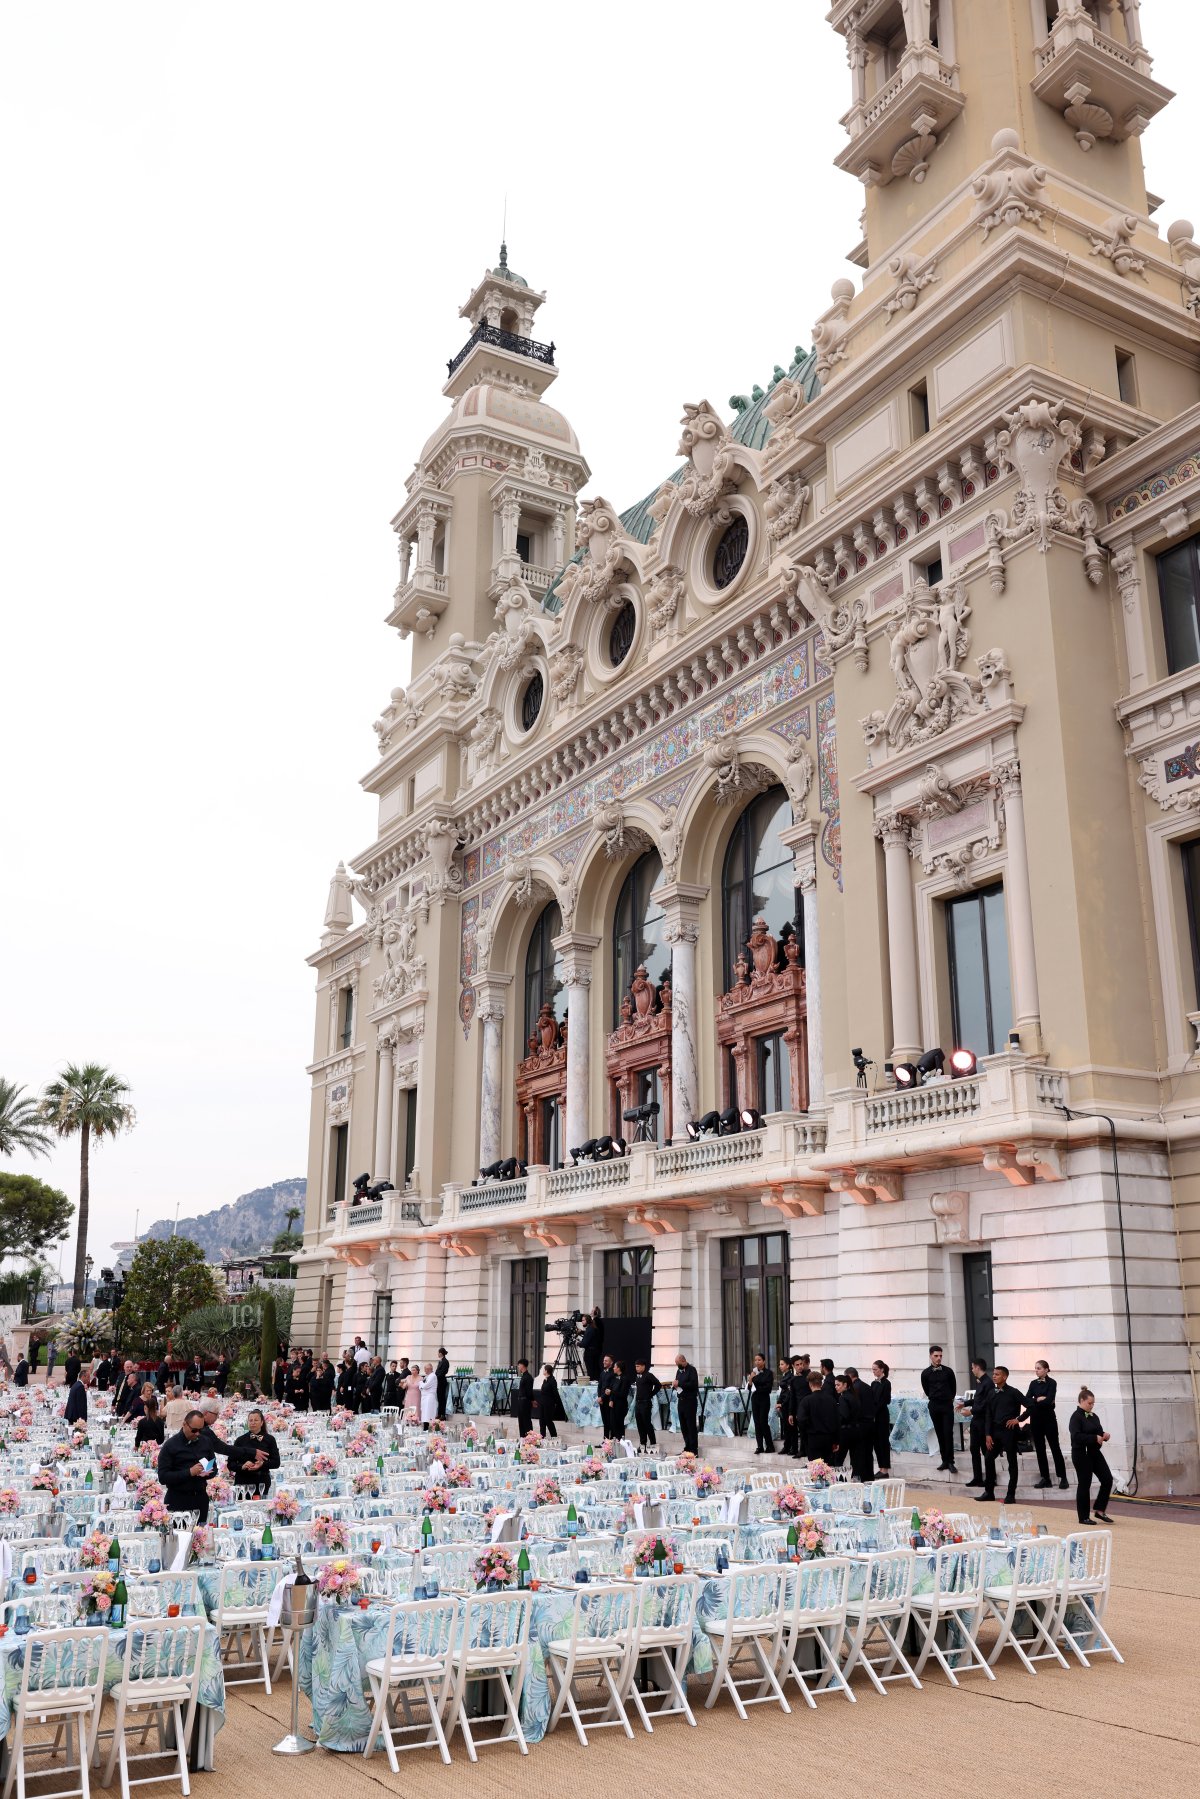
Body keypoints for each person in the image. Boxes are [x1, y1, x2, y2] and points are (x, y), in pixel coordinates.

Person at [1069, 1388, 1114, 1525]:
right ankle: (1083, 1517)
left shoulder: (1094, 1416)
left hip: (1094, 1452)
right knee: (1085, 1484)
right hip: (1081, 1453)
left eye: (1093, 1403)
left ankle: (1100, 1510)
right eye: (1089, 1403)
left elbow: (1098, 1432)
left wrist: (1104, 1436)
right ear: (1081, 1401)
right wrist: (1094, 1438)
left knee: (1107, 1479)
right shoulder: (1076, 1417)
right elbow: (1076, 1437)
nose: (1091, 1406)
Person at [982, 1365, 1027, 1505]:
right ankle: (989, 1492)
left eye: (997, 1374)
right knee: (988, 1458)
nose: (994, 1376)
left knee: (1011, 1462)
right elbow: (988, 1414)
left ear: (1004, 1377)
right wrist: (987, 1434)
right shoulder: (991, 1393)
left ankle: (1010, 1494)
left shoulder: (1014, 1392)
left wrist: (1018, 1420)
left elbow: (1031, 1406)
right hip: (994, 1432)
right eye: (993, 1374)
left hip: (1009, 1432)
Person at [158, 1409, 214, 1521]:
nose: (197, 1433)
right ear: (184, 1424)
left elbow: (214, 1467)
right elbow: (163, 1477)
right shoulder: (170, 1446)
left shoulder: (205, 1442)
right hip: (178, 1500)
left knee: (201, 1536)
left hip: (200, 1499)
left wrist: (206, 1472)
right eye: (194, 1430)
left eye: (200, 1430)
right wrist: (189, 1472)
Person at [1026, 1359, 1070, 1491]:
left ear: (1046, 1369)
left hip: (1049, 1419)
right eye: (1035, 1368)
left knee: (1055, 1448)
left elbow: (1050, 1400)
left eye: (1039, 1368)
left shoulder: (1052, 1382)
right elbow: (1026, 1400)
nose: (1036, 1370)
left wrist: (1041, 1401)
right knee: (1040, 1450)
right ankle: (1045, 1478)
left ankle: (1063, 1477)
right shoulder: (1033, 1383)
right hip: (1035, 1420)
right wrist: (1037, 1399)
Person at [921, 1345, 958, 1474]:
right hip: (934, 1405)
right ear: (931, 1356)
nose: (938, 1358)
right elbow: (926, 1389)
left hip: (947, 1405)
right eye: (936, 1356)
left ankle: (951, 1462)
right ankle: (944, 1460)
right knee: (940, 1433)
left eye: (940, 1356)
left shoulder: (948, 1371)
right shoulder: (925, 1373)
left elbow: (953, 1388)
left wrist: (949, 1398)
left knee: (948, 1433)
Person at [228, 1409, 280, 1495]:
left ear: (262, 1422)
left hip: (262, 1482)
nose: (253, 1422)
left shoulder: (270, 1439)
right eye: (250, 1420)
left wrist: (262, 1464)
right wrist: (242, 1466)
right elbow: (230, 1464)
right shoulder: (240, 1440)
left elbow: (276, 1463)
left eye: (256, 1420)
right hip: (242, 1482)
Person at [961, 1358, 994, 1489]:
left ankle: (991, 1478)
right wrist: (965, 1403)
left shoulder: (988, 1383)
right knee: (974, 1449)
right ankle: (977, 1477)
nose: (972, 1369)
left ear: (978, 1367)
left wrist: (971, 1411)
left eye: (972, 1367)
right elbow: (978, 1399)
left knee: (986, 1451)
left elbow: (986, 1403)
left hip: (984, 1421)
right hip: (976, 1421)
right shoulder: (980, 1382)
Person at [846, 1367, 876, 1481]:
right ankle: (869, 1476)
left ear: (849, 1376)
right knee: (868, 1452)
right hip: (870, 1424)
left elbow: (855, 1408)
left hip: (860, 1425)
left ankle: (859, 1476)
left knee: (858, 1453)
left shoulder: (854, 1389)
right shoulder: (867, 1386)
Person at [804, 1372, 840, 1463]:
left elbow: (801, 1420)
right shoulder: (831, 1400)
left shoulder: (806, 1400)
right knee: (827, 1469)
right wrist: (836, 1440)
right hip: (828, 1439)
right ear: (822, 1384)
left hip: (813, 1439)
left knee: (816, 1471)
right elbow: (836, 1421)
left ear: (810, 1384)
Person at [748, 1354, 775, 1455]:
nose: (757, 1362)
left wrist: (754, 1379)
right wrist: (751, 1380)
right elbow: (750, 1388)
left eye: (759, 1360)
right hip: (755, 1399)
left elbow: (767, 1388)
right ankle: (759, 1446)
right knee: (757, 1423)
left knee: (763, 1422)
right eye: (755, 1360)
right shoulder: (754, 1372)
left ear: (764, 1361)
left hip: (764, 1399)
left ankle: (770, 1445)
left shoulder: (769, 1373)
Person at [870, 1360, 893, 1476]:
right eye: (873, 1369)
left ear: (882, 1369)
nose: (873, 1371)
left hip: (882, 1415)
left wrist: (874, 1411)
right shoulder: (873, 1383)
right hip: (874, 1415)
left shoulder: (886, 1383)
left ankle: (885, 1469)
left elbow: (885, 1400)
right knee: (876, 1442)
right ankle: (880, 1467)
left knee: (883, 1441)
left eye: (875, 1369)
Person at [633, 1359, 662, 1448]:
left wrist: (651, 1394)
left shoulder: (649, 1375)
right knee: (640, 1424)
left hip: (645, 1403)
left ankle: (653, 1443)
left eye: (638, 1366)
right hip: (638, 1403)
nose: (636, 1368)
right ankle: (643, 1444)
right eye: (636, 1366)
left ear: (643, 1366)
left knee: (647, 1424)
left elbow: (658, 1384)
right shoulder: (638, 1376)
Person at [674, 1354, 699, 1455]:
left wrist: (679, 1384)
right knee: (683, 1425)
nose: (677, 1366)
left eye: (678, 1364)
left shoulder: (692, 1370)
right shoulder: (678, 1371)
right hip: (681, 1400)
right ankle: (687, 1447)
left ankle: (693, 1450)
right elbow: (677, 1382)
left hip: (690, 1401)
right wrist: (675, 1385)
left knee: (691, 1425)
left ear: (683, 1361)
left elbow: (693, 1385)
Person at [831, 1373, 857, 1468]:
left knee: (838, 1460)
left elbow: (844, 1416)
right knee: (854, 1459)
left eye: (838, 1385)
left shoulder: (843, 1397)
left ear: (845, 1385)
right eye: (835, 1385)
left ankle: (839, 1481)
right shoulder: (853, 1395)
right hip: (854, 1431)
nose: (836, 1387)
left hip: (845, 1432)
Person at [777, 1359, 796, 1457]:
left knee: (790, 1427)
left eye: (782, 1364)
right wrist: (779, 1402)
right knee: (785, 1427)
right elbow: (783, 1391)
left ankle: (792, 1447)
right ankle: (787, 1446)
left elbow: (789, 1393)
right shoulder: (785, 1376)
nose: (780, 1366)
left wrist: (782, 1404)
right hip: (784, 1404)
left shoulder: (790, 1377)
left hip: (788, 1405)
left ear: (788, 1365)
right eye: (780, 1364)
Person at [609, 1359, 631, 1440]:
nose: (613, 1368)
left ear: (619, 1368)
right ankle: (612, 1442)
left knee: (619, 1425)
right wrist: (611, 1399)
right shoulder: (615, 1378)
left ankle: (620, 1442)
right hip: (613, 1404)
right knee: (612, 1424)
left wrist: (611, 1392)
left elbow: (622, 1394)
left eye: (614, 1367)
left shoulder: (625, 1379)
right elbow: (611, 1388)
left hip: (620, 1405)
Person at [596, 1356, 617, 1440]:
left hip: (609, 1400)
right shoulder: (602, 1373)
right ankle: (605, 1440)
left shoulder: (613, 1373)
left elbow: (610, 1388)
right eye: (604, 1360)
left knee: (610, 1421)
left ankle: (611, 1440)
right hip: (602, 1401)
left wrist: (602, 1397)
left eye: (606, 1361)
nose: (604, 1362)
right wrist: (599, 1397)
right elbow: (599, 1386)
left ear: (611, 1363)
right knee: (605, 1421)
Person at [581, 1308, 604, 1383]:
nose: (582, 1322)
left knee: (591, 1369)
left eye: (583, 1320)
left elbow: (585, 1343)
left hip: (591, 1352)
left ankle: (592, 1382)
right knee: (595, 1368)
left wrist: (578, 1343)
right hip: (595, 1351)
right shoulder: (592, 1327)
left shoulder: (593, 1326)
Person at [538, 1364, 561, 1439]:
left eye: (544, 1369)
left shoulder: (552, 1380)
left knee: (548, 1421)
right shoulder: (545, 1380)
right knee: (542, 1421)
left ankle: (554, 1436)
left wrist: (557, 1403)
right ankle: (542, 1437)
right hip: (542, 1403)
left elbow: (555, 1393)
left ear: (547, 1371)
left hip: (549, 1404)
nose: (543, 1371)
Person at [514, 1359, 534, 1437]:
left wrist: (532, 1400)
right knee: (521, 1421)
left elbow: (529, 1391)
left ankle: (530, 1438)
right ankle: (522, 1438)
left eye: (519, 1365)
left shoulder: (528, 1377)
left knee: (526, 1421)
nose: (518, 1366)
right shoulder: (524, 1376)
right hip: (521, 1401)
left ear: (522, 1365)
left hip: (525, 1401)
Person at [419, 1362, 438, 1428]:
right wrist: (422, 1385)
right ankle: (425, 1427)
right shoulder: (427, 1376)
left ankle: (427, 1428)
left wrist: (421, 1383)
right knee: (425, 1413)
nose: (424, 1371)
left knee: (428, 1413)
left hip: (429, 1397)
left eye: (425, 1369)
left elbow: (425, 1386)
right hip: (425, 1397)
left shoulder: (432, 1376)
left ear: (429, 1369)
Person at [435, 1347, 450, 1422]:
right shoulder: (440, 1361)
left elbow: (443, 1372)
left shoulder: (445, 1361)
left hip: (442, 1381)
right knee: (439, 1398)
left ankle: (443, 1414)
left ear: (441, 1353)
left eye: (438, 1352)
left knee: (442, 1399)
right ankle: (439, 1413)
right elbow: (437, 1371)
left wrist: (436, 1376)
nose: (437, 1354)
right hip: (438, 1381)